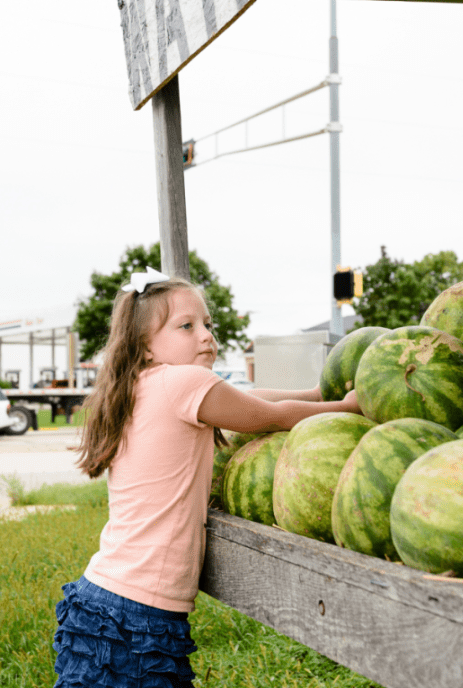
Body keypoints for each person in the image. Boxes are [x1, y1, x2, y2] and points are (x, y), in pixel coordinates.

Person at [52, 267, 360, 688]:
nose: (205, 336)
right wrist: (349, 408)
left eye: (207, 324)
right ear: (145, 346)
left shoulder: (141, 386)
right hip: (135, 615)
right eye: (186, 326)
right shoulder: (182, 383)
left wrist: (317, 395)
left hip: (106, 601)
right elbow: (265, 416)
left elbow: (246, 397)